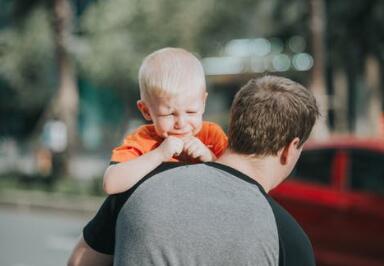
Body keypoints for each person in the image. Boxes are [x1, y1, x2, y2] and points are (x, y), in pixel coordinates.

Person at [68, 75, 319, 266]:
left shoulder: (140, 186)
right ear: (291, 148)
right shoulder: (289, 238)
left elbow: (79, 262)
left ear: (234, 124)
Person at [103, 47, 228, 195]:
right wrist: (159, 154)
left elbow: (237, 183)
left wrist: (210, 158)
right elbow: (111, 185)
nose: (181, 123)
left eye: (191, 112)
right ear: (146, 111)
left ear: (203, 103)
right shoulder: (142, 140)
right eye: (168, 114)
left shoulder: (212, 136)